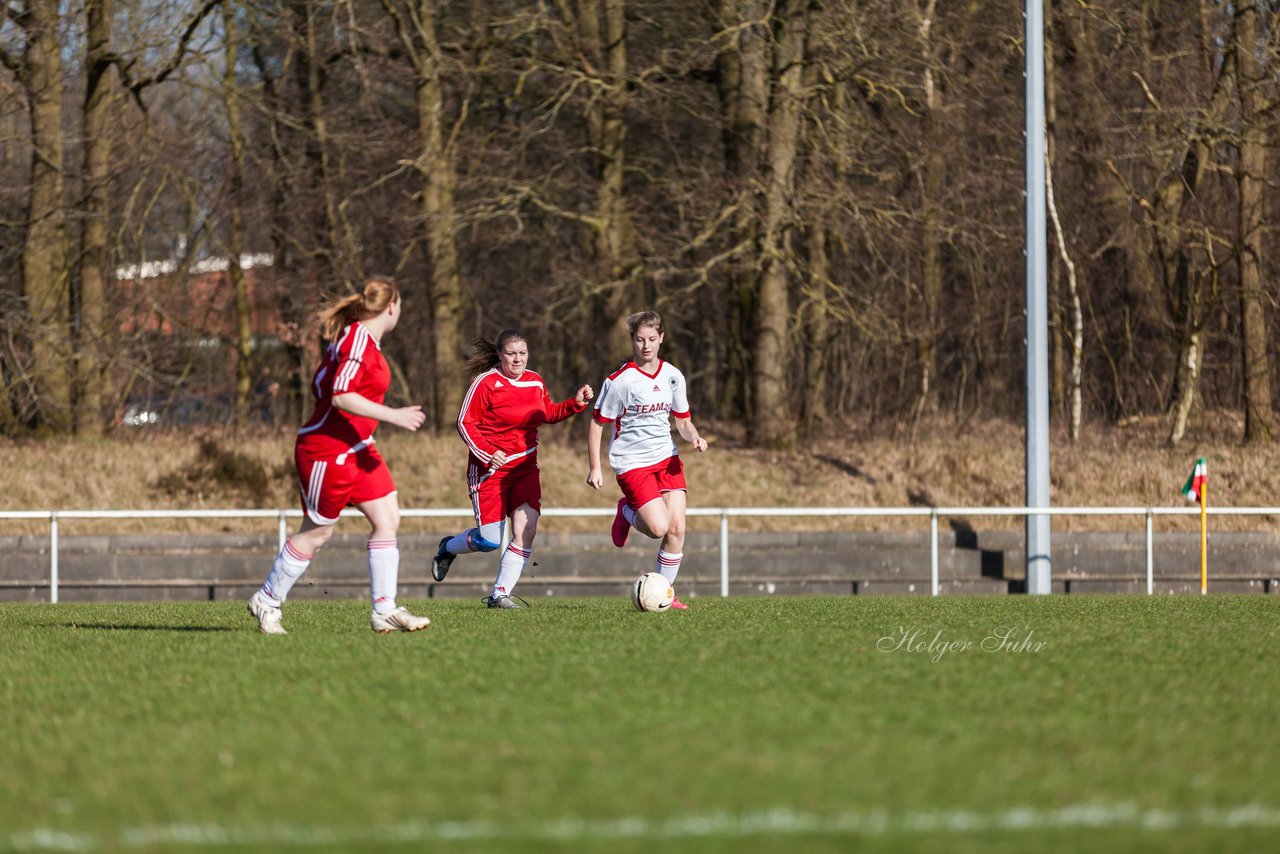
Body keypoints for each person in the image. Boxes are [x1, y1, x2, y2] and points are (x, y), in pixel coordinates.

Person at [247, 276, 431, 634]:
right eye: (401, 305)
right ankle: (267, 600)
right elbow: (340, 395)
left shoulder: (364, 341)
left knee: (387, 516)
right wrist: (393, 415)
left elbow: (324, 384)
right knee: (318, 533)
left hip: (357, 445)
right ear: (391, 306)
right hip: (326, 449)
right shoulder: (358, 339)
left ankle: (384, 610)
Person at [431, 330, 594, 608]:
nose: (517, 359)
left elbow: (547, 413)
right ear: (500, 355)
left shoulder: (535, 381)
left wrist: (575, 404)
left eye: (522, 353)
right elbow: (464, 423)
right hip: (489, 472)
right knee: (489, 540)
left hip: (526, 468)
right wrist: (486, 453)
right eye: (511, 354)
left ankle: (499, 595)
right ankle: (448, 547)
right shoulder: (484, 383)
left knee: (526, 530)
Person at [586, 309, 707, 609]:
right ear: (632, 341)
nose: (646, 346)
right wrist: (595, 467)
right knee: (658, 528)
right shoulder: (620, 381)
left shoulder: (673, 376)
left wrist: (694, 437)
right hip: (632, 463)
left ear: (661, 338)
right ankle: (626, 510)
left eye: (652, 339)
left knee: (677, 529)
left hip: (667, 459)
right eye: (640, 340)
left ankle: (667, 594)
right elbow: (597, 423)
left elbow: (682, 421)